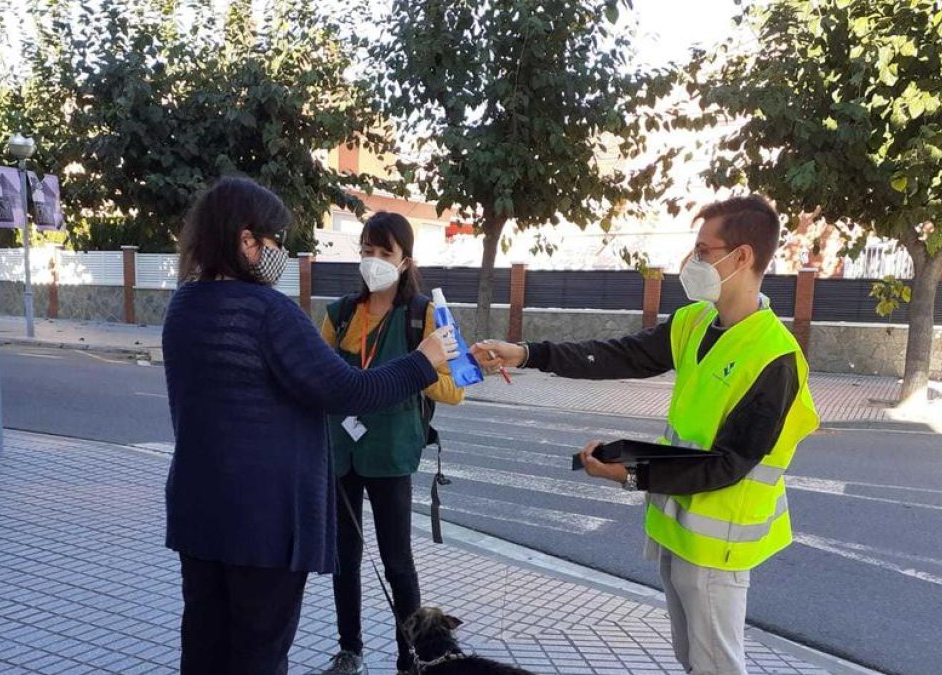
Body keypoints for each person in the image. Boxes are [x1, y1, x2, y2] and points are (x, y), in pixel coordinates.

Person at [472, 195, 819, 675]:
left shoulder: (774, 357)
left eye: (704, 250)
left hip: (719, 547)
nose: (693, 261)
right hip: (678, 530)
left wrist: (630, 476)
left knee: (718, 665)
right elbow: (618, 354)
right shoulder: (695, 322)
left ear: (742, 257)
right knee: (694, 660)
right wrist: (528, 354)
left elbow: (727, 465)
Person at [161, 177, 457, 675]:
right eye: (276, 240)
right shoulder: (270, 312)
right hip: (264, 523)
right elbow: (349, 390)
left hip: (199, 512)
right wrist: (423, 361)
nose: (281, 252)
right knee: (258, 654)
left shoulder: (183, 306)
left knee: (205, 646)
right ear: (246, 241)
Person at [316, 212, 465, 675]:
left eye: (385, 253)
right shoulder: (339, 314)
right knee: (345, 556)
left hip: (392, 454)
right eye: (367, 249)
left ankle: (411, 658)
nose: (373, 260)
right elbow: (317, 380)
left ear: (405, 261)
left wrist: (419, 371)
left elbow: (456, 389)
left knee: (398, 560)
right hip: (341, 452)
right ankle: (350, 648)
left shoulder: (425, 315)